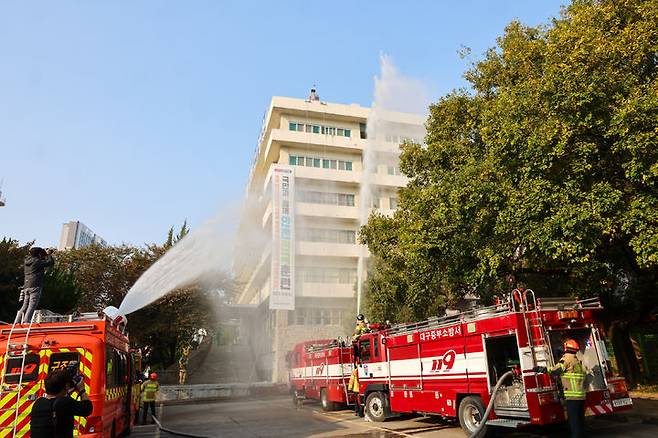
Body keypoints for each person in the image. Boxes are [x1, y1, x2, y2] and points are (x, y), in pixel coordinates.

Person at [535, 339, 587, 438]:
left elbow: (557, 370)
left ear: (566, 348)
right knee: (580, 421)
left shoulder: (567, 358)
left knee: (574, 422)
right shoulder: (577, 360)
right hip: (581, 396)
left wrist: (541, 369)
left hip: (572, 397)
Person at [30, 370, 93, 438]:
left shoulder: (38, 403)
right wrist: (82, 390)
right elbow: (87, 408)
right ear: (66, 386)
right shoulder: (65, 403)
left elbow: (55, 404)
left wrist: (67, 392)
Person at [16, 247, 55, 324]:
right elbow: (50, 263)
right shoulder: (37, 261)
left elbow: (41, 260)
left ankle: (17, 321)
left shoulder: (27, 261)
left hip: (26, 286)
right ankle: (26, 321)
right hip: (35, 285)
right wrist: (49, 254)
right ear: (39, 254)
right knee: (32, 305)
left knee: (25, 306)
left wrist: (44, 254)